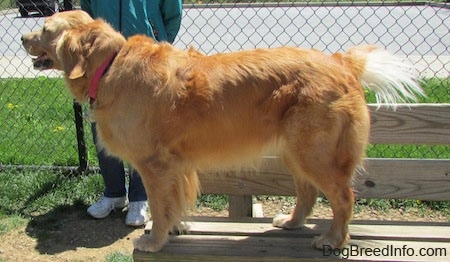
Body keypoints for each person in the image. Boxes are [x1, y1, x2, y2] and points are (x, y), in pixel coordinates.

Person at [80, 0, 183, 226]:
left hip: (143, 61)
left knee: (142, 132)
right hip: (101, 59)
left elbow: (172, 12)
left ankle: (140, 197)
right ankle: (113, 193)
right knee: (104, 125)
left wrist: (159, 38)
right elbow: (86, 13)